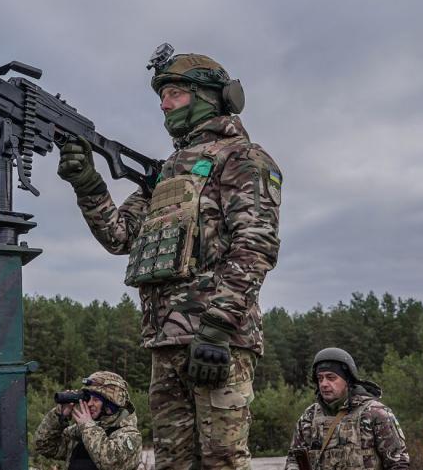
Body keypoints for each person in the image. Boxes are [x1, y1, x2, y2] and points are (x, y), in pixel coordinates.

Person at [57, 43, 282, 469]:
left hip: (218, 340)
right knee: (172, 462)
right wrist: (86, 182)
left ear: (209, 97)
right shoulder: (165, 174)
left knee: (222, 461)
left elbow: (255, 245)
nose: (164, 104)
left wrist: (216, 328)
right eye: (162, 96)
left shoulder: (242, 158)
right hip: (166, 343)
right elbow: (118, 235)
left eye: (175, 93)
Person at [284, 348, 410, 470]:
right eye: (320, 378)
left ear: (348, 380)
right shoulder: (309, 417)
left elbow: (398, 463)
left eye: (331, 377)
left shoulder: (375, 414)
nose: (324, 384)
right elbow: (294, 459)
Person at [33, 371, 142, 470]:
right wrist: (59, 415)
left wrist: (88, 427)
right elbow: (43, 445)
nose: (89, 404)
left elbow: (111, 463)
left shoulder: (130, 435)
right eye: (88, 398)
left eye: (95, 399)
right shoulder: (80, 432)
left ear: (110, 404)